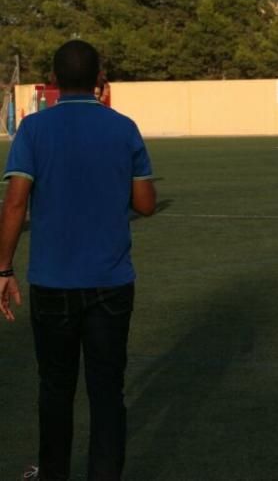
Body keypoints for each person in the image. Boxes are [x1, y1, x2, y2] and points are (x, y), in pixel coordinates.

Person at [0, 39, 156, 480]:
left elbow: (14, 205)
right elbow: (145, 203)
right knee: (107, 392)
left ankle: (52, 474)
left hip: (52, 283)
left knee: (55, 390)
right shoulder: (123, 127)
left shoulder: (33, 130)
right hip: (111, 282)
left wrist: (3, 268)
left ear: (52, 82)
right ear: (99, 81)